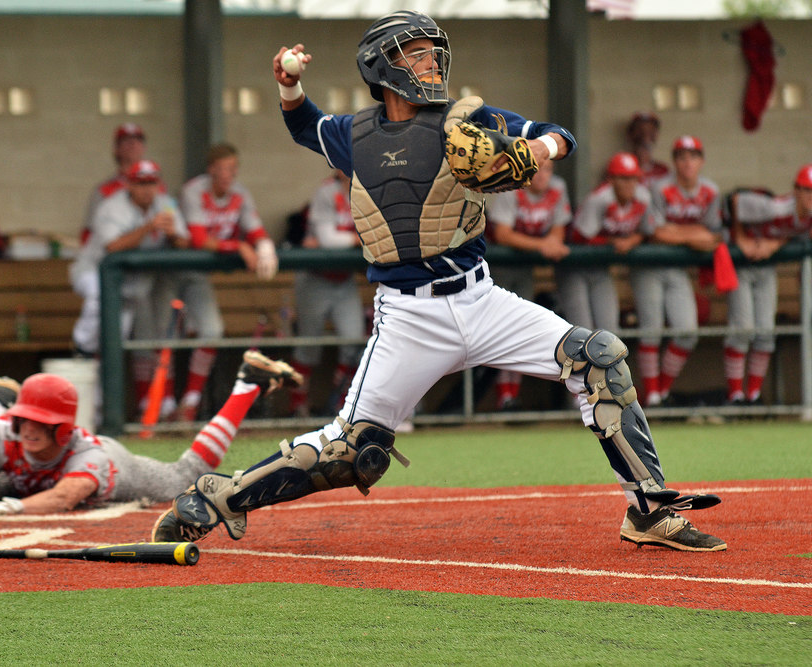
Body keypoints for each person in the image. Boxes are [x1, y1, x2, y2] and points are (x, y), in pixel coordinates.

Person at [152, 11, 726, 552]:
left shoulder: (462, 119)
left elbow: (561, 134)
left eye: (433, 55)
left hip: (482, 299)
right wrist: (289, 86)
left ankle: (648, 511)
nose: (431, 65)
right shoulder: (355, 134)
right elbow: (304, 125)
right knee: (355, 451)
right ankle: (220, 496)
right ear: (383, 68)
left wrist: (531, 149)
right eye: (417, 55)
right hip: (408, 317)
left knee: (598, 357)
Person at [0, 350, 303, 517]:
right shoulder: (8, 434)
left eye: (43, 422)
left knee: (184, 476)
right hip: (31, 479)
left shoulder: (91, 455)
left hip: (108, 475)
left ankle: (247, 383)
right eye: (24, 418)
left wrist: (14, 508)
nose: (30, 428)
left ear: (64, 429)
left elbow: (63, 498)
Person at [69, 159, 188, 419]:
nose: (147, 189)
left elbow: (184, 241)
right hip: (93, 272)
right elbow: (112, 248)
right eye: (141, 183)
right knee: (97, 302)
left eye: (151, 182)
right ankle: (82, 346)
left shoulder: (166, 204)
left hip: (130, 285)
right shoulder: (111, 207)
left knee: (112, 343)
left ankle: (98, 409)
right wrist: (148, 227)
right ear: (129, 184)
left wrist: (172, 235)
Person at [173, 143, 278, 422]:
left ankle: (189, 402)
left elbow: (254, 230)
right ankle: (157, 406)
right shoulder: (194, 190)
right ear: (210, 170)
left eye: (231, 168)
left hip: (197, 276)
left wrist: (264, 246)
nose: (226, 174)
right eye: (221, 169)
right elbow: (197, 239)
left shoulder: (239, 193)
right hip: (168, 271)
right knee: (159, 337)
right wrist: (238, 246)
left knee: (212, 330)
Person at [638, 136, 723, 407]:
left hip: (678, 269)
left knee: (687, 331)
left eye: (693, 156)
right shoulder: (659, 188)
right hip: (649, 265)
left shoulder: (710, 190)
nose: (688, 162)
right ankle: (651, 396)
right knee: (651, 331)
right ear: (674, 162)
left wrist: (680, 233)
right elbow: (655, 233)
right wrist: (692, 234)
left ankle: (662, 391)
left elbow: (713, 235)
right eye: (682, 157)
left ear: (702, 161)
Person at [485, 159, 572, 410]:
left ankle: (512, 395)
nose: (543, 175)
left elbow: (558, 227)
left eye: (548, 170)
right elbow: (502, 233)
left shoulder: (557, 187)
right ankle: (504, 396)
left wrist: (552, 242)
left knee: (518, 331)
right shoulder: (510, 185)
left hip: (524, 268)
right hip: (498, 267)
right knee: (499, 332)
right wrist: (542, 245)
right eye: (538, 170)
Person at [723, 164, 812, 405]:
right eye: (806, 190)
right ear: (796, 191)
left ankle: (753, 396)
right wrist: (740, 238)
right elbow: (735, 201)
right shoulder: (774, 207)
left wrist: (776, 243)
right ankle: (735, 397)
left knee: (765, 331)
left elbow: (795, 233)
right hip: (742, 261)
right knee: (743, 328)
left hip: (766, 265)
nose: (809, 197)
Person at [288, 169, 366, 417]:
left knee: (353, 343)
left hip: (344, 279)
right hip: (315, 278)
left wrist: (350, 239)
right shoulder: (327, 192)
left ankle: (340, 405)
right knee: (309, 346)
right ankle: (297, 406)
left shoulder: (367, 192)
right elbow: (327, 239)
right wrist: (358, 239)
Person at [556, 152, 654, 334]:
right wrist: (610, 241)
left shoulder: (643, 197)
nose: (630, 184)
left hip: (601, 268)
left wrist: (631, 240)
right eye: (624, 178)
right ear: (611, 180)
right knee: (581, 332)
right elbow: (578, 237)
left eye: (634, 178)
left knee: (610, 332)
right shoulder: (600, 198)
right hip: (574, 267)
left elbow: (647, 231)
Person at [80, 123, 159, 242]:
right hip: (112, 251)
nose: (132, 144)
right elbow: (88, 233)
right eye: (126, 141)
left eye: (137, 140)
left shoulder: (159, 187)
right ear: (116, 149)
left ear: (144, 148)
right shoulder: (104, 190)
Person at [625, 111, 669, 187]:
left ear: (656, 135)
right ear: (630, 134)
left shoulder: (662, 170)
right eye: (640, 129)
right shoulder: (621, 167)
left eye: (650, 130)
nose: (645, 134)